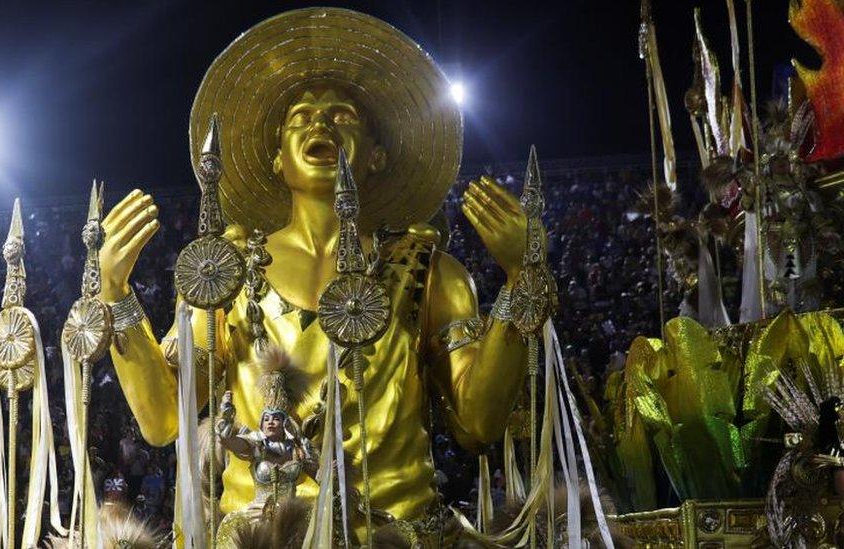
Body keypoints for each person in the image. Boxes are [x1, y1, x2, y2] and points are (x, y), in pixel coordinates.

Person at [101, 7, 534, 543]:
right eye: (300, 116)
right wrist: (116, 292)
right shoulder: (224, 272)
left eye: (342, 115)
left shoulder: (429, 273)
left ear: (376, 156)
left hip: (394, 533)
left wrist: (519, 279)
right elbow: (164, 418)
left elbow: (478, 422)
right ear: (278, 160)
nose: (320, 123)